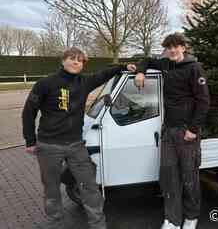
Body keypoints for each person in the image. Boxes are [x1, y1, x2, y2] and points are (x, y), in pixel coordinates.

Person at [22, 47, 136, 229]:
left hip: (76, 145)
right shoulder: (45, 84)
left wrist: (124, 67)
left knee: (90, 188)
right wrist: (30, 140)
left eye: (80, 60)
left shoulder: (84, 82)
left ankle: (98, 225)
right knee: (51, 191)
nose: (76, 62)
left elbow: (104, 74)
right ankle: (55, 224)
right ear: (63, 60)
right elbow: (29, 112)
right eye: (72, 58)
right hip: (49, 146)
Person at [134, 33, 210, 229]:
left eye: (176, 46)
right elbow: (147, 60)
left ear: (184, 47)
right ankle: (172, 219)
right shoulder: (165, 64)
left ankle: (191, 216)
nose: (173, 50)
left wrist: (193, 129)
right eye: (169, 47)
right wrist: (141, 72)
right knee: (169, 177)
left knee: (189, 177)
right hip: (169, 131)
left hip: (187, 132)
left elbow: (204, 101)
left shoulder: (194, 68)